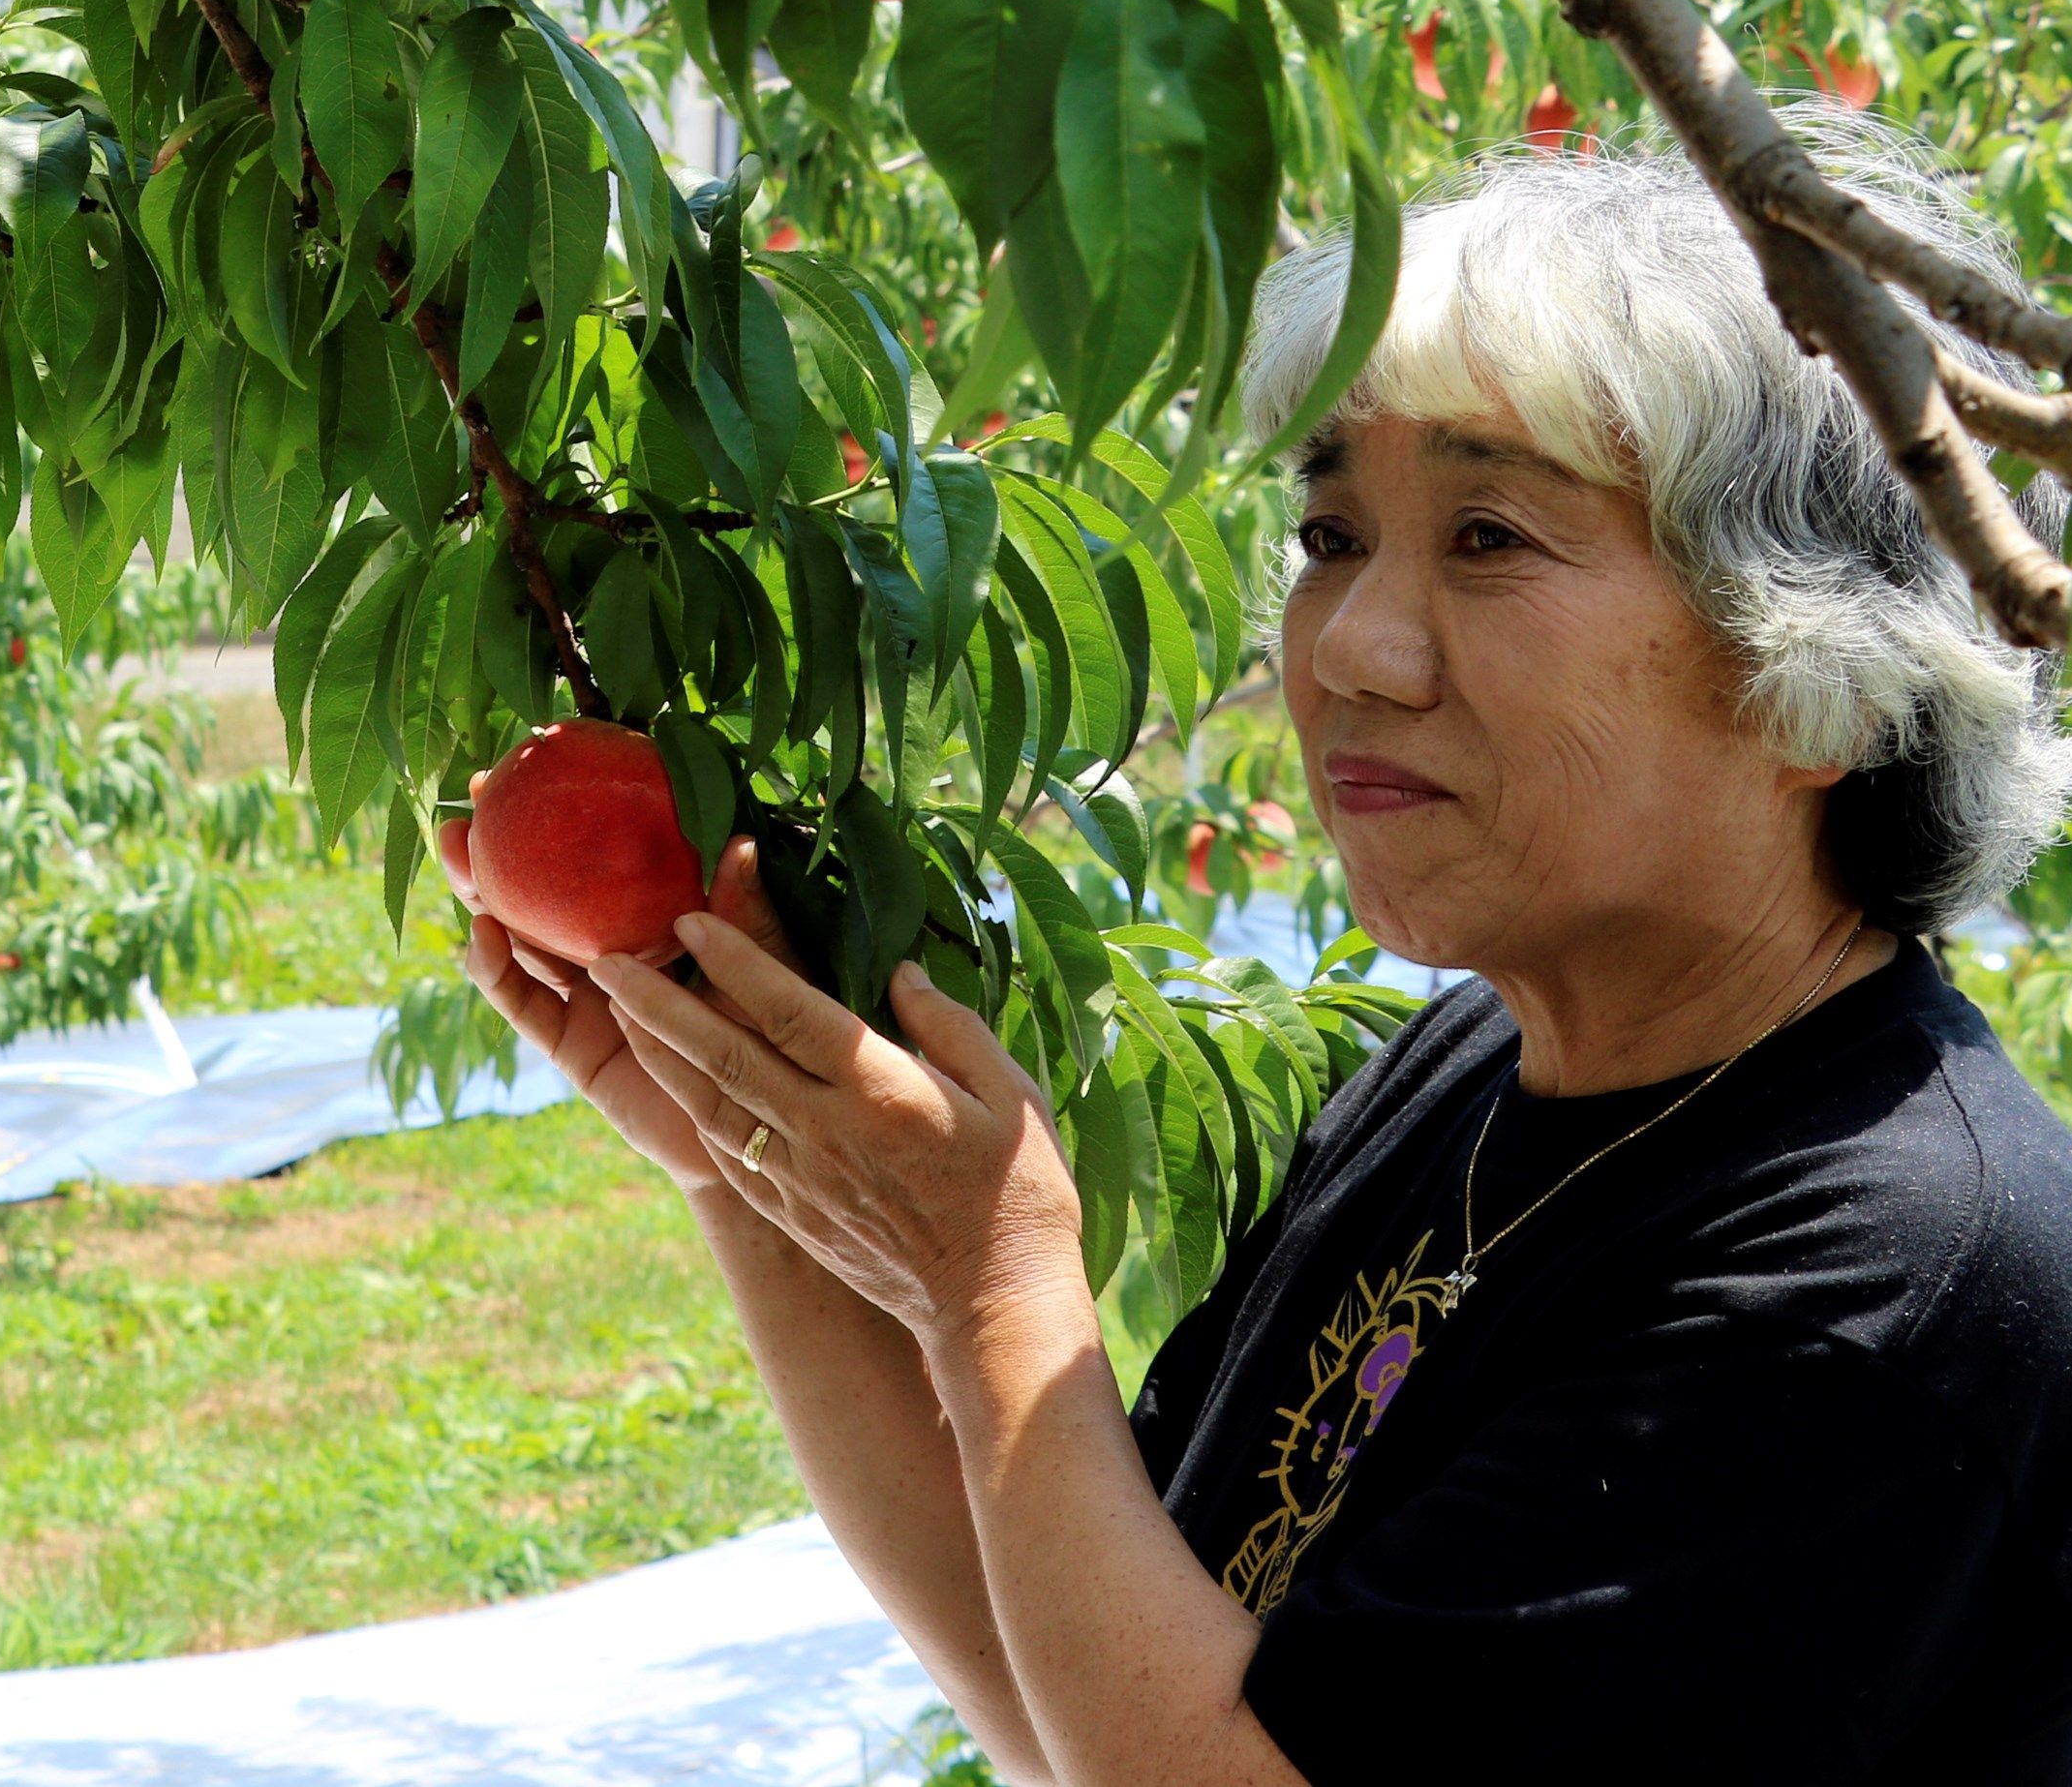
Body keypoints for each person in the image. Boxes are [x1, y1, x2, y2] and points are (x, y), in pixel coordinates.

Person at [461, 127, 2072, 1783]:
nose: (1351, 651)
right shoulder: (1463, 1075)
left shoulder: (1878, 1280)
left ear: (1817, 674)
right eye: (1331, 539)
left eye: (1491, 538)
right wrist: (758, 1178)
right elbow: (1083, 1698)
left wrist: (997, 1286)